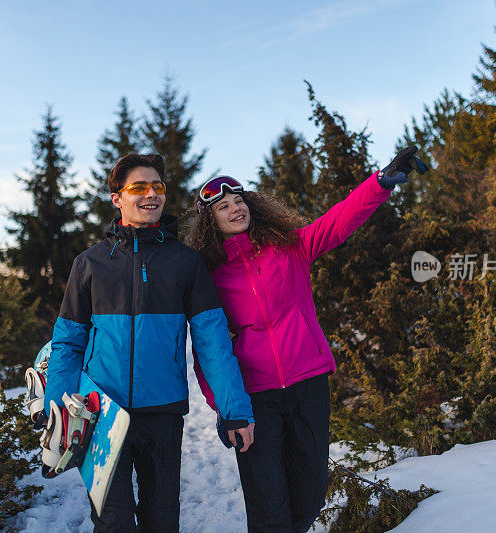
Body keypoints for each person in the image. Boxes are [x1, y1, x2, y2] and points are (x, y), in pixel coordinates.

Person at [188, 147, 424, 532]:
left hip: (308, 384)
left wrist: (379, 183)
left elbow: (338, 222)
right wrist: (223, 406)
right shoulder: (210, 277)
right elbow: (207, 349)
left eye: (239, 200)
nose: (235, 209)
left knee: (309, 495)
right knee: (268, 505)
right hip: (256, 397)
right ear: (210, 222)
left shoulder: (288, 248)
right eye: (223, 207)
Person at [44, 153, 255, 532]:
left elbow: (212, 343)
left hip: (162, 413)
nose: (150, 194)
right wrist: (56, 411)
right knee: (112, 521)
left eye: (157, 187)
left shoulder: (185, 262)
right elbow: (68, 343)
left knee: (162, 520)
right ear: (117, 198)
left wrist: (234, 409)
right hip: (101, 412)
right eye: (139, 187)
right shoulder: (90, 264)